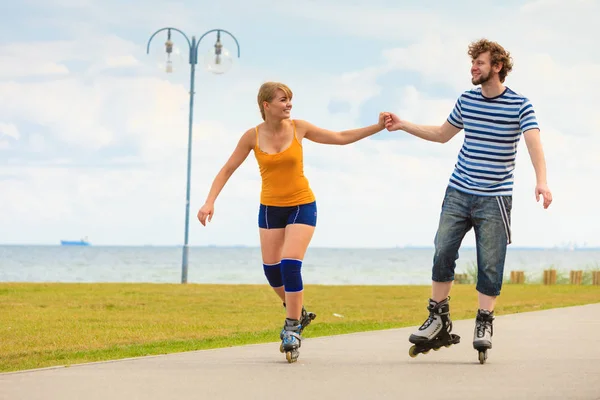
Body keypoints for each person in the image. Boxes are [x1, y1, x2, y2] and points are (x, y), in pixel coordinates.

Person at [384, 38, 553, 363]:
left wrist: (541, 181)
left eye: (480, 63)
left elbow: (534, 143)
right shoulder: (466, 100)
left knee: (490, 262)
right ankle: (438, 317)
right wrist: (403, 124)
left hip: (495, 198)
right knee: (442, 250)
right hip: (458, 191)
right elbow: (442, 134)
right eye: (472, 63)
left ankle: (484, 322)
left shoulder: (520, 105)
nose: (473, 68)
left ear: (497, 66)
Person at [197, 81, 388, 363]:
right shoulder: (251, 136)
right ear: (266, 105)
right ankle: (298, 310)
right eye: (283, 100)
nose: (289, 104)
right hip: (270, 209)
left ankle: (292, 327)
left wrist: (378, 126)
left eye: (290, 100)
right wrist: (209, 201)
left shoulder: (300, 128)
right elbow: (227, 169)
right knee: (272, 272)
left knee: (289, 264)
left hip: (301, 205)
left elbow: (340, 136)